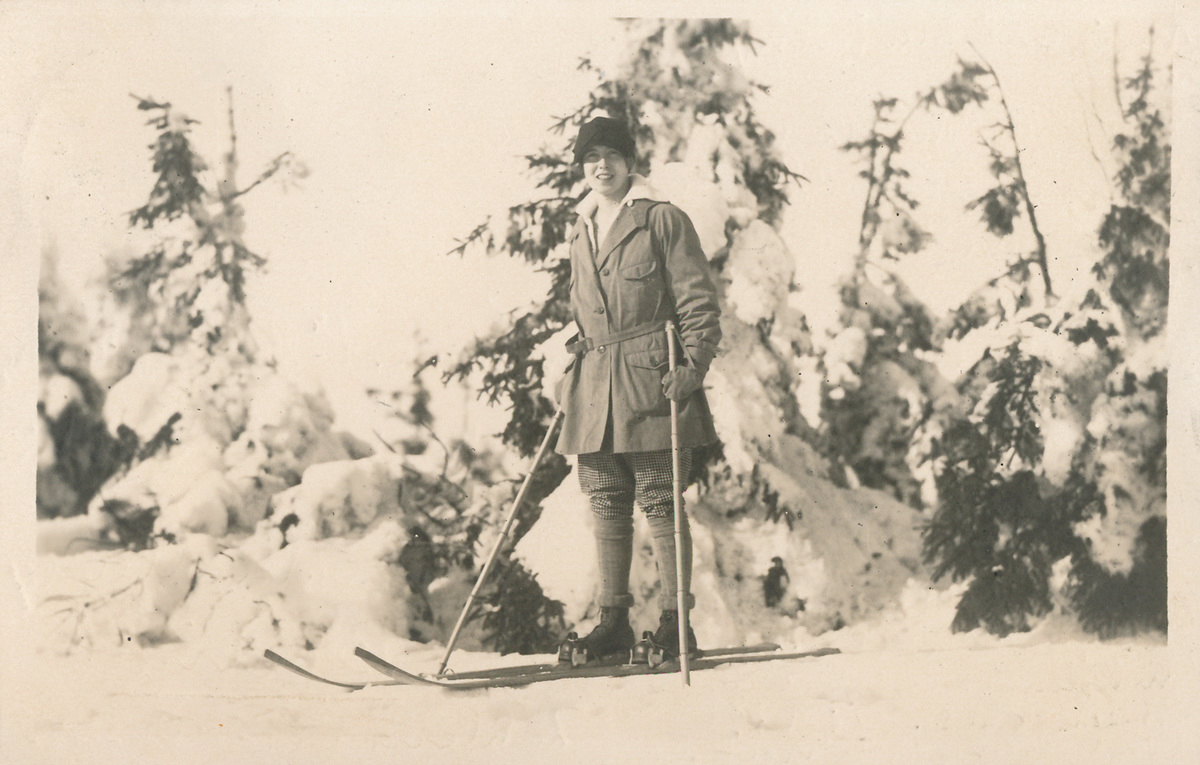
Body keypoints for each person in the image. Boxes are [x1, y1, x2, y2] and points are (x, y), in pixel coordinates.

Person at [553, 116, 722, 663]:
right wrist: (576, 350)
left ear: (631, 162)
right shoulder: (580, 226)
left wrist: (692, 366)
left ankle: (676, 623)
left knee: (659, 498)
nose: (602, 167)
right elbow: (586, 307)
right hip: (594, 385)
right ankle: (613, 621)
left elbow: (698, 303)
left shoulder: (662, 220)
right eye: (591, 158)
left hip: (653, 380)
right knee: (605, 499)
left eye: (612, 156)